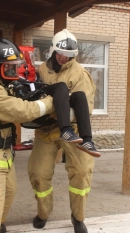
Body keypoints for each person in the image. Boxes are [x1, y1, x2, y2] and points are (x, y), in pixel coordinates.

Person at [0, 38, 54, 233]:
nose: (13, 73)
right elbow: (20, 112)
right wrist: (48, 103)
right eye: (9, 69)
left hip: (1, 151)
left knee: (8, 191)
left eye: (16, 68)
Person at [28, 29, 96, 233]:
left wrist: (55, 112)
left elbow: (86, 109)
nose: (63, 57)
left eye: (68, 55)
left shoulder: (80, 74)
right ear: (53, 50)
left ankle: (78, 217)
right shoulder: (42, 70)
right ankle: (43, 213)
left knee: (82, 172)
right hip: (46, 132)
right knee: (38, 173)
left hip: (72, 132)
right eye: (60, 53)